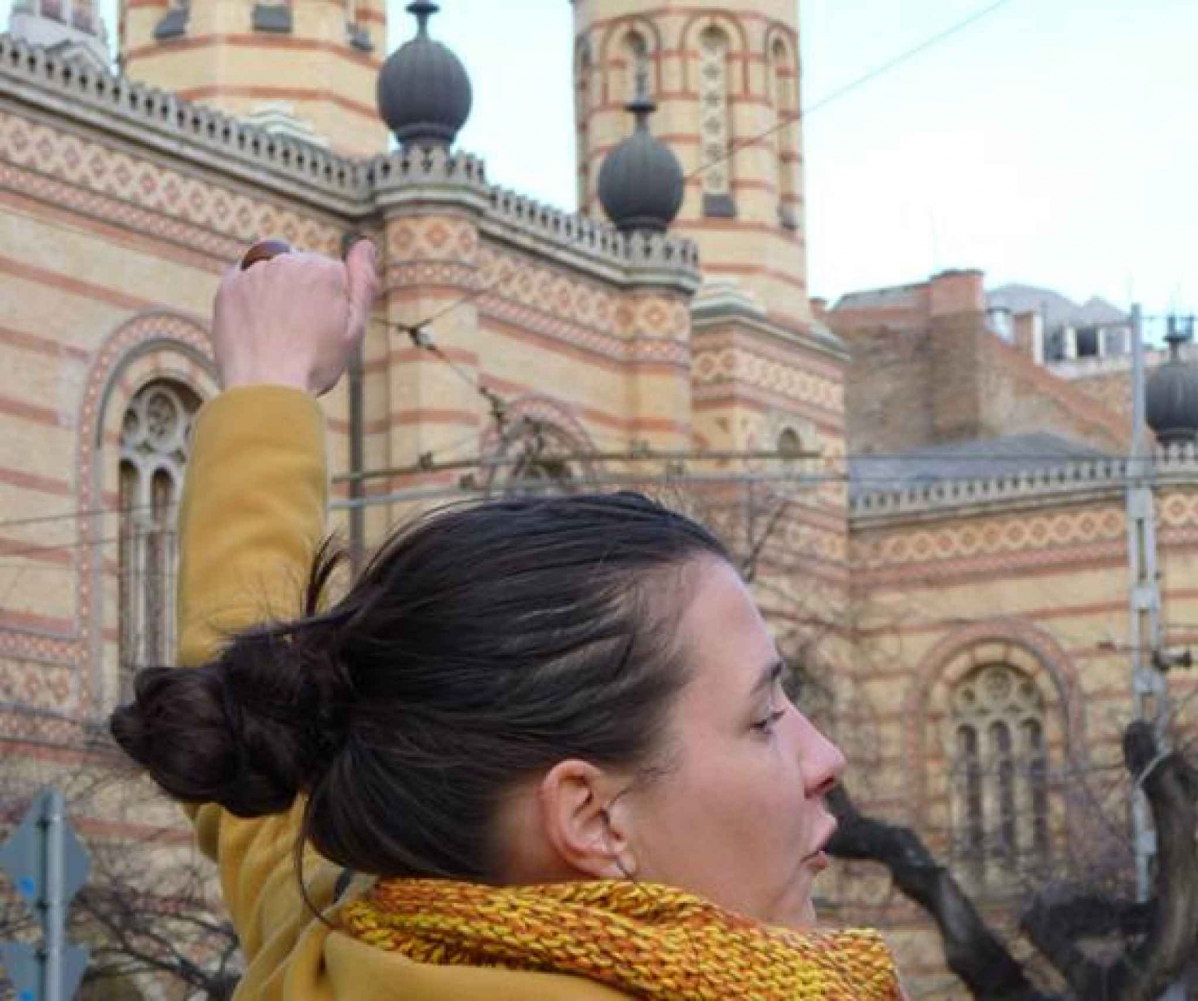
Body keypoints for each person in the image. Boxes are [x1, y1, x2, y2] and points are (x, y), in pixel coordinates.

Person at [109, 241, 903, 1000]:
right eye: (764, 717)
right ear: (592, 817)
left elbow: (259, 725)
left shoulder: (329, 957)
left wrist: (266, 384)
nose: (824, 755)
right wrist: (268, 383)